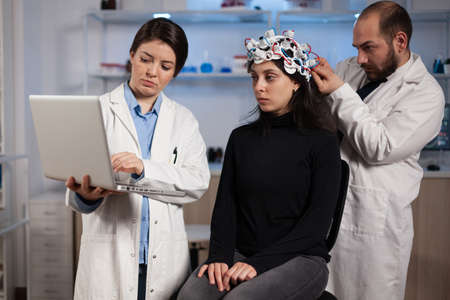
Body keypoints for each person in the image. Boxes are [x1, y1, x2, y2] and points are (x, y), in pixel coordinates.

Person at [177, 29, 341, 300]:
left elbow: (315, 226)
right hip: (240, 253)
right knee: (190, 297)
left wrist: (258, 264)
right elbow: (225, 208)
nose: (259, 87)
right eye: (254, 77)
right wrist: (219, 256)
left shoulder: (322, 143)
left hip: (300, 258)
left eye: (270, 77)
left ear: (296, 82)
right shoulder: (241, 139)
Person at [65, 18, 210, 300]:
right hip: (109, 257)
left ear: (175, 73)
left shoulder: (184, 121)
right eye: (145, 59)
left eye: (165, 67)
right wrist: (86, 196)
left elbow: (198, 181)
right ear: (132, 56)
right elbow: (74, 186)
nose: (152, 72)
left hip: (164, 259)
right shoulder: (98, 111)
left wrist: (145, 168)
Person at [311, 2, 445, 299]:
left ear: (400, 40)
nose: (359, 58)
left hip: (375, 229)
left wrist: (337, 92)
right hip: (326, 215)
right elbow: (323, 124)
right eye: (356, 47)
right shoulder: (352, 69)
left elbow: (379, 147)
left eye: (368, 47)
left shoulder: (425, 93)